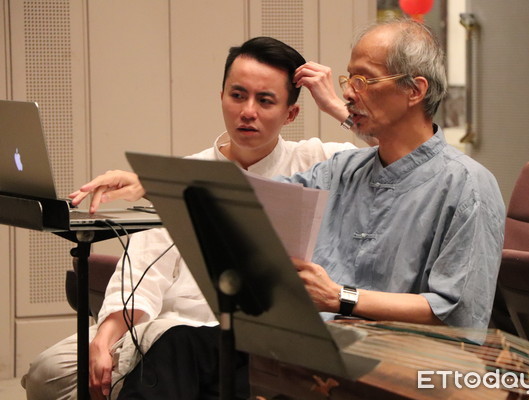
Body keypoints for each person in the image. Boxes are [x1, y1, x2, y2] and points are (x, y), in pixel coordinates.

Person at [114, 17, 506, 399]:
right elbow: (253, 197)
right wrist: (157, 184)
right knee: (181, 346)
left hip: (391, 363)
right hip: (310, 352)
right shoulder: (342, 169)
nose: (348, 94)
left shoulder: (467, 185)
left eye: (364, 80)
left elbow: (455, 311)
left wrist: (341, 297)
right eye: (349, 80)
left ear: (415, 90)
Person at [21, 36, 356, 400]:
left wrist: (336, 106)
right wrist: (105, 336)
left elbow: (393, 155)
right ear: (221, 96)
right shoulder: (185, 170)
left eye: (265, 100)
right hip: (166, 328)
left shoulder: (319, 161)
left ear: (290, 113)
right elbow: (144, 271)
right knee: (47, 373)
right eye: (238, 95)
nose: (248, 112)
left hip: (249, 338)